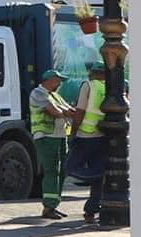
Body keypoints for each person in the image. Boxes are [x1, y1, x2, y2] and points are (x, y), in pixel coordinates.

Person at [30, 67, 78, 219]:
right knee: (51, 171)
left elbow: (69, 109)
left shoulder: (55, 95)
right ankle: (48, 207)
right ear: (50, 80)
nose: (60, 84)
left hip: (60, 136)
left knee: (62, 171)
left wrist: (69, 111)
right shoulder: (38, 93)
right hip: (46, 136)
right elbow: (55, 112)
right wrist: (67, 112)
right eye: (58, 81)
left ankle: (54, 204)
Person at [68, 65, 109, 221]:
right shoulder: (109, 87)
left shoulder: (88, 85)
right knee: (97, 173)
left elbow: (80, 111)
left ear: (93, 74)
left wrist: (73, 132)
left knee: (70, 167)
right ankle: (91, 211)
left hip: (85, 134)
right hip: (103, 135)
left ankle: (98, 175)